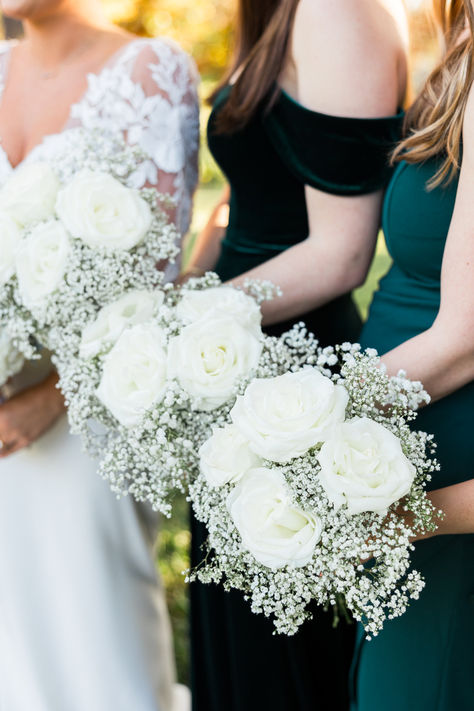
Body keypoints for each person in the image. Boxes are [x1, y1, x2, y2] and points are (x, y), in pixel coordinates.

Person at [185, 1, 408, 709]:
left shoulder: (337, 12)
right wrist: (195, 279)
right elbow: (250, 196)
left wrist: (187, 323)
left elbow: (342, 254)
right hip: (232, 356)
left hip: (291, 374)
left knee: (279, 661)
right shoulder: (274, 12)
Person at [0, 1, 198, 709]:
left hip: (90, 423)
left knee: (97, 661)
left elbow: (157, 286)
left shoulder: (148, 71)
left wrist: (52, 395)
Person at [350, 1, 474, 708]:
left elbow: (464, 333)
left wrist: (302, 431)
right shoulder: (457, 53)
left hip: (443, 495)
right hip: (404, 484)